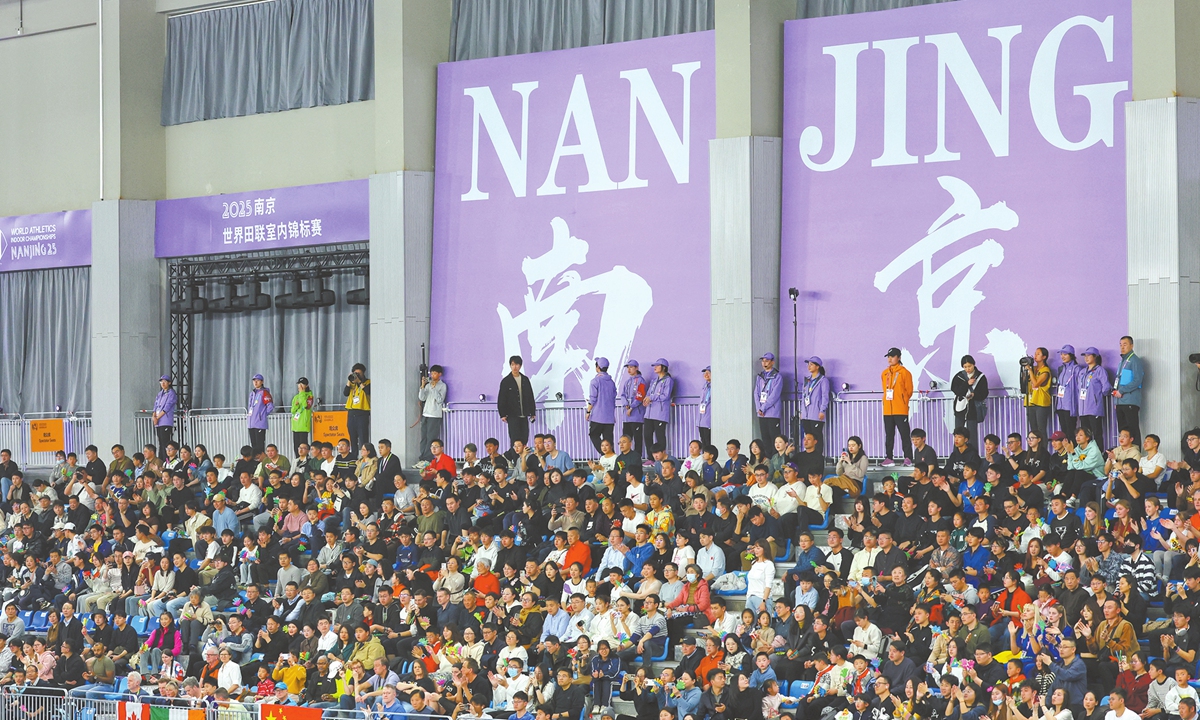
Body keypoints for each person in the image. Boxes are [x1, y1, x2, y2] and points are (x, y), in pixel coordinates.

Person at [881, 348, 914, 467]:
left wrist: (902, 400)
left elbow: (909, 391)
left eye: (892, 356)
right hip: (888, 410)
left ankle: (908, 457)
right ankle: (889, 458)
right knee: (889, 435)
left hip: (900, 409)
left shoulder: (905, 373)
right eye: (888, 356)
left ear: (899, 357)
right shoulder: (884, 373)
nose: (889, 359)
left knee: (904, 434)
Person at [951, 355, 989, 451]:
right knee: (958, 433)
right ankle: (957, 455)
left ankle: (973, 456)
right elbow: (956, 390)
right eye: (965, 367)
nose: (968, 369)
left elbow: (984, 393)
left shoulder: (980, 376)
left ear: (974, 364)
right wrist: (966, 384)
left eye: (969, 366)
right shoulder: (959, 376)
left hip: (973, 409)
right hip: (960, 408)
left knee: (972, 434)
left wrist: (974, 395)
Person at [498, 356, 537, 448]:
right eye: (512, 364)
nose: (515, 367)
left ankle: (523, 458)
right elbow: (502, 398)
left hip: (524, 414)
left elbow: (530, 396)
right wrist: (502, 414)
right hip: (512, 415)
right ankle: (515, 460)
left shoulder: (525, 379)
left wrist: (532, 412)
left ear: (520, 366)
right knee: (515, 438)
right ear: (510, 366)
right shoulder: (506, 381)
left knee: (525, 437)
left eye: (517, 364)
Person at [1077, 348, 1111, 448]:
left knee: (1096, 434)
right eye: (1085, 356)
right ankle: (1087, 456)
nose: (1086, 358)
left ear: (1095, 357)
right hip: (1083, 409)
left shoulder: (1100, 371)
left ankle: (1099, 456)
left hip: (1094, 408)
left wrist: (1098, 396)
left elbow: (1106, 386)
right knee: (1085, 436)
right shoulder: (1082, 372)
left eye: (1089, 355)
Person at [1114, 337, 1144, 444]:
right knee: (1122, 430)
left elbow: (1137, 380)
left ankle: (1135, 455)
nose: (1122, 347)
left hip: (1130, 401)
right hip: (1119, 401)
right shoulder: (1122, 362)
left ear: (1132, 346)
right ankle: (1125, 453)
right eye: (1120, 344)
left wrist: (1122, 391)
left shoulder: (1135, 360)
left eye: (1125, 344)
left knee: (1132, 429)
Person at [800, 357, 831, 459]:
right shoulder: (807, 380)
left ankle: (817, 458)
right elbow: (803, 396)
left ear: (817, 367)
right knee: (807, 437)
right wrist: (802, 411)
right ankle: (808, 458)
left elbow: (825, 396)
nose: (809, 366)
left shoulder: (823, 380)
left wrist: (822, 410)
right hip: (806, 414)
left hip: (816, 414)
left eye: (812, 364)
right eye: (808, 364)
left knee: (816, 437)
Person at [587, 358, 618, 454]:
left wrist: (588, 411)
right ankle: (614, 460)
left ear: (598, 367)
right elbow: (613, 399)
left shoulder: (595, 381)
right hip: (609, 417)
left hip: (597, 416)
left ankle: (605, 454)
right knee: (609, 440)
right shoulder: (611, 382)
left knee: (593, 434)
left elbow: (593, 398)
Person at [419, 365, 447, 463]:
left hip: (435, 415)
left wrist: (434, 388)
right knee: (423, 437)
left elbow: (440, 400)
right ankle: (422, 457)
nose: (433, 375)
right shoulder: (428, 385)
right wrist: (423, 386)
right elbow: (422, 398)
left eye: (435, 373)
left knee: (431, 437)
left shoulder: (442, 386)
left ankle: (428, 458)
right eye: (432, 373)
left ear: (440, 374)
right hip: (426, 413)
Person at [644, 359, 674, 452]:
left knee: (659, 435)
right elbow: (649, 393)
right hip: (649, 412)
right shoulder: (654, 380)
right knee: (647, 435)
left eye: (657, 365)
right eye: (654, 365)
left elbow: (665, 396)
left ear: (664, 367)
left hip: (660, 413)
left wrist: (651, 397)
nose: (655, 367)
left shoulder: (668, 380)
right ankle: (651, 457)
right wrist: (646, 399)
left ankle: (661, 457)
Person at [620, 360, 648, 456]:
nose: (629, 369)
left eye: (631, 367)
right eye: (628, 367)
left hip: (637, 415)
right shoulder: (627, 381)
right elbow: (622, 394)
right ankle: (625, 456)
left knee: (637, 437)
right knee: (626, 437)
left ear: (636, 368)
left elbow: (640, 396)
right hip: (626, 416)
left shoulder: (641, 380)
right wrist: (625, 404)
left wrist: (632, 407)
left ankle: (637, 456)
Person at [755, 352, 783, 449]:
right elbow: (756, 393)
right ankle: (767, 460)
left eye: (767, 361)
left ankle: (775, 460)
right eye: (763, 361)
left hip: (772, 412)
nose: (764, 363)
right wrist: (759, 408)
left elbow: (774, 395)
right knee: (765, 438)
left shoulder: (777, 377)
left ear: (772, 362)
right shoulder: (760, 376)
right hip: (762, 413)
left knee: (774, 438)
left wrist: (763, 408)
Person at [1025, 348, 1052, 440]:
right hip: (1031, 401)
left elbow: (1036, 384)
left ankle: (1043, 450)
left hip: (1041, 402)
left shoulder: (1045, 370)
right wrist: (1026, 370)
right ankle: (1034, 450)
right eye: (1035, 354)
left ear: (1044, 357)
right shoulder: (1034, 369)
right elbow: (1024, 383)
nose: (1035, 356)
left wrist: (1030, 371)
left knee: (1041, 429)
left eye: (1038, 354)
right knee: (1033, 429)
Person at [1056, 346, 1083, 440]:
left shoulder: (1077, 369)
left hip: (1070, 405)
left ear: (1071, 355)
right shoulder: (1061, 369)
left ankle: (1073, 452)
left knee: (1071, 431)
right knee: (1064, 433)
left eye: (1065, 354)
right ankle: (1066, 453)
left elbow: (1079, 387)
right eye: (1061, 354)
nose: (1062, 356)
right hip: (1061, 405)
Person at [345, 363, 371, 452]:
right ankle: (354, 456)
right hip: (351, 413)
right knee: (352, 438)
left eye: (359, 374)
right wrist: (349, 381)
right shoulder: (352, 385)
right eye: (355, 373)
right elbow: (345, 393)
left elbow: (368, 391)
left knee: (363, 438)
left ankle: (365, 457)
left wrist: (360, 382)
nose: (357, 376)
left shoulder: (368, 383)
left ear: (363, 373)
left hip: (362, 413)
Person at [247, 374, 274, 456]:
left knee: (259, 446)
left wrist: (262, 415)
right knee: (254, 446)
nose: (255, 382)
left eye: (258, 380)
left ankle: (261, 463)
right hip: (251, 423)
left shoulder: (264, 392)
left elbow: (270, 406)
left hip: (259, 423)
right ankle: (255, 464)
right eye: (254, 380)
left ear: (262, 382)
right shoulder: (252, 393)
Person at [289, 377, 313, 457]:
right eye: (299, 384)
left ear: (306, 385)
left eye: (302, 384)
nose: (300, 386)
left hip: (303, 425)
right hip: (296, 425)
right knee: (296, 447)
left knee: (303, 446)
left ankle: (305, 461)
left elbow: (306, 405)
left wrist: (302, 393)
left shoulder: (309, 396)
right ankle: (297, 462)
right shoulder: (296, 397)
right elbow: (292, 410)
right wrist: (296, 405)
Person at [153, 375, 177, 450]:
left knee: (165, 442)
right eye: (161, 382)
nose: (162, 384)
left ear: (169, 383)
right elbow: (155, 405)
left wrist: (157, 417)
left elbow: (167, 407)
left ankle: (166, 460)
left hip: (165, 420)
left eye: (165, 382)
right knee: (160, 442)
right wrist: (154, 416)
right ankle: (161, 460)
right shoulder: (160, 394)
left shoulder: (171, 393)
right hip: (158, 421)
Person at [699, 366, 712, 449]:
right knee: (703, 440)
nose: (706, 374)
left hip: (709, 416)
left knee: (708, 441)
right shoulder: (705, 385)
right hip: (701, 417)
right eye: (705, 372)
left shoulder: (715, 386)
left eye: (709, 372)